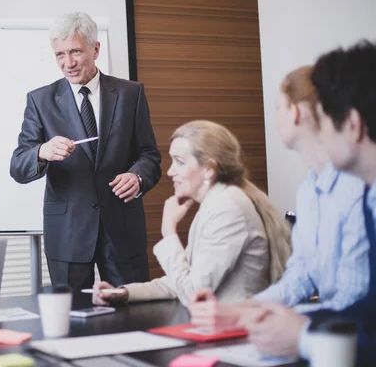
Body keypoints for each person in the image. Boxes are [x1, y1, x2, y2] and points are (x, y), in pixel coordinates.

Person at [188, 66, 369, 331]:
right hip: (330, 330)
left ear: (295, 113)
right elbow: (300, 276)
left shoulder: (356, 189)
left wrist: (291, 325)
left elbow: (355, 299)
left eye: (277, 107)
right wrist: (243, 309)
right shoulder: (308, 189)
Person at [237, 41, 376, 364]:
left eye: (324, 119)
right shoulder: (368, 197)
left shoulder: (361, 196)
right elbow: (368, 307)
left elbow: (358, 302)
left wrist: (303, 333)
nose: (320, 132)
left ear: (352, 125)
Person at [9, 12, 161, 292]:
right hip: (67, 234)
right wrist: (42, 151)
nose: (68, 63)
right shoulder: (40, 100)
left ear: (96, 49)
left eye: (76, 52)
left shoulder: (131, 94)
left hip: (123, 232)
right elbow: (18, 165)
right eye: (60, 55)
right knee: (70, 323)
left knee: (131, 319)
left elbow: (150, 155)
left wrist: (137, 177)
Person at [93, 120, 291, 306]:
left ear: (209, 169)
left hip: (237, 332)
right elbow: (181, 280)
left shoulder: (228, 208)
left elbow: (192, 293)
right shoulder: (215, 203)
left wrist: (169, 231)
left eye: (179, 162)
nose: (170, 171)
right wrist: (123, 292)